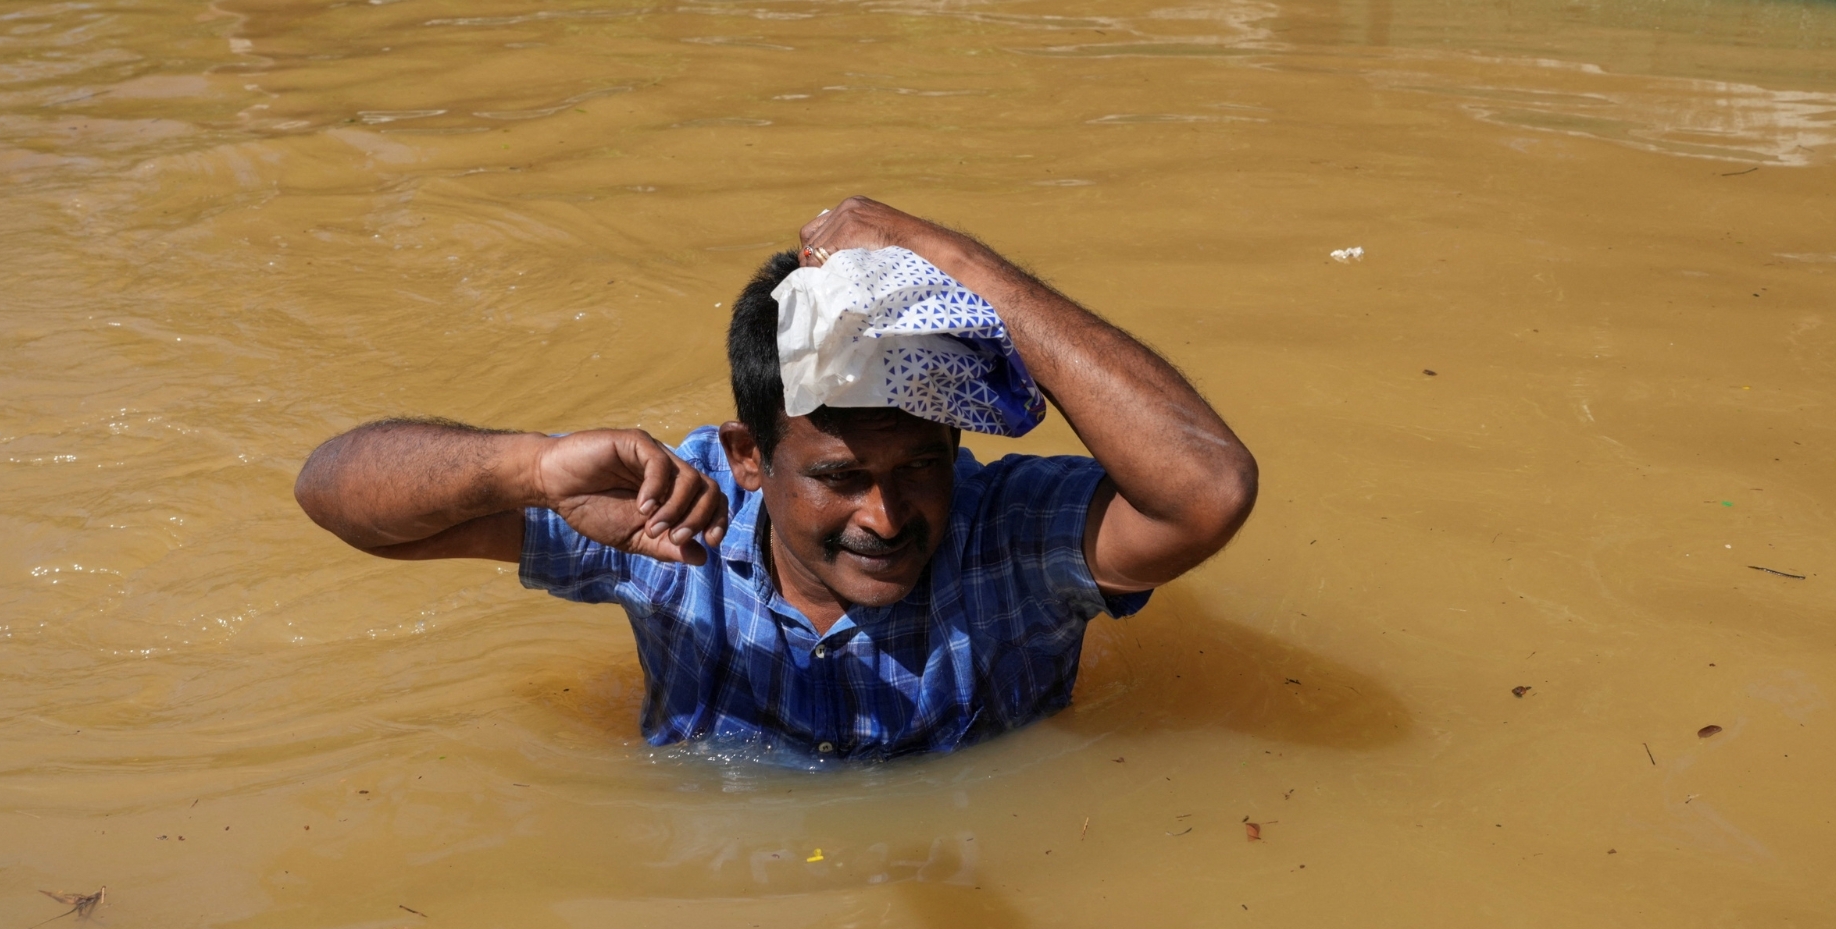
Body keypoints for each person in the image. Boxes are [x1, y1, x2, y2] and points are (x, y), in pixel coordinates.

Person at [294, 197, 1257, 761]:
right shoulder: (669, 516)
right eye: (839, 476)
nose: (886, 515)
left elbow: (1208, 490)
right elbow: (334, 496)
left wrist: (951, 261)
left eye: (921, 465)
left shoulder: (1011, 536)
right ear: (748, 459)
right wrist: (530, 467)